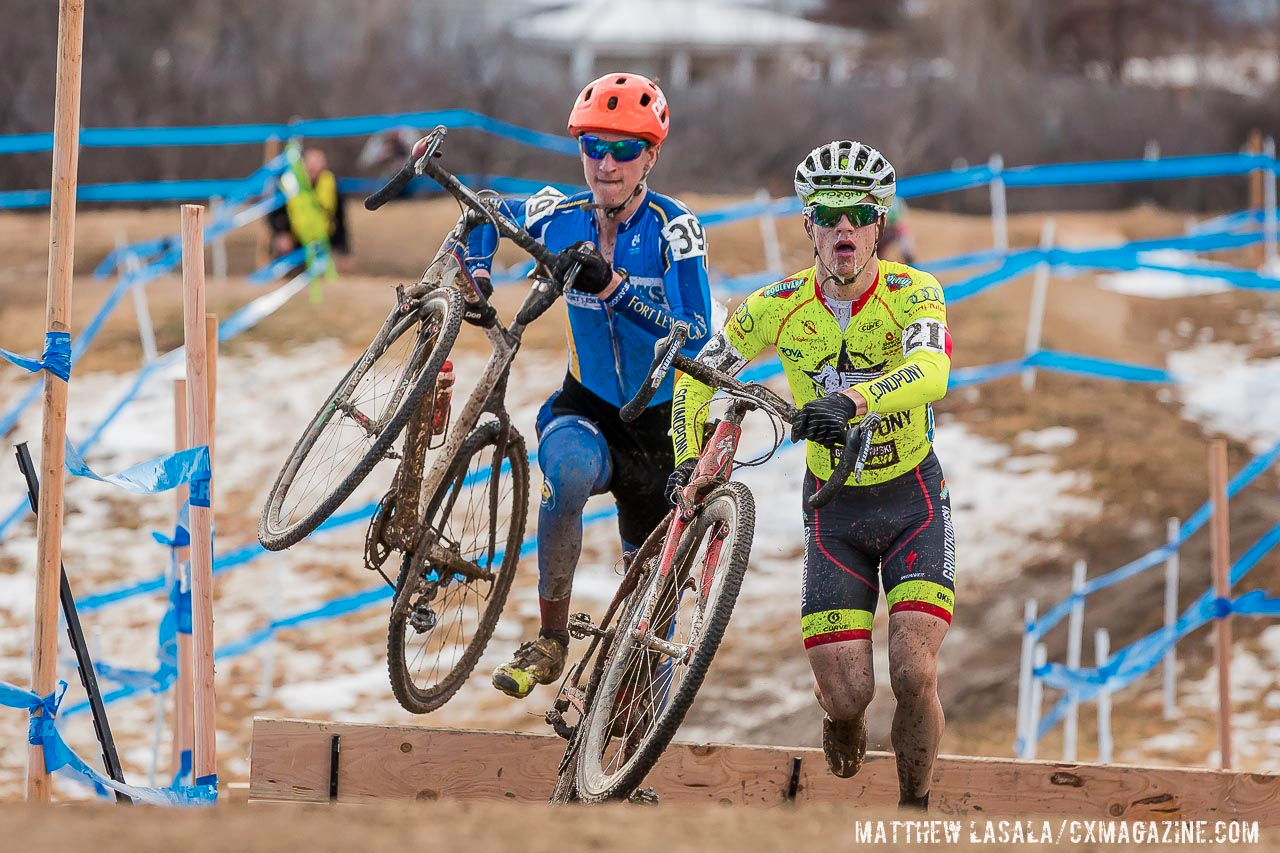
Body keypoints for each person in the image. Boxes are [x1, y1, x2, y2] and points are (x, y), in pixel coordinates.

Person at [669, 140, 954, 811]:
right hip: (835, 512)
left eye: (859, 211)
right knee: (851, 691)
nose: (844, 227)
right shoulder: (776, 305)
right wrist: (688, 452)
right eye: (828, 213)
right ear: (808, 224)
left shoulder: (916, 292)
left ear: (880, 221)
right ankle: (844, 718)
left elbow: (932, 372)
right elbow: (698, 377)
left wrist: (852, 400)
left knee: (914, 671)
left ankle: (916, 805)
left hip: (913, 497)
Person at [462, 73, 714, 699]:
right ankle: (550, 640)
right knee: (568, 470)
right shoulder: (560, 217)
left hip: (661, 429)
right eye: (594, 145)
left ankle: (627, 758)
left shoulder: (674, 229)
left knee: (646, 630)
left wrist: (615, 291)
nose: (607, 162)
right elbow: (485, 211)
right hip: (589, 407)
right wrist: (478, 270)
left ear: (650, 156)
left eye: (625, 149)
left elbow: (698, 333)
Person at [267, 146, 352, 273]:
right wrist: (281, 233)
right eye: (310, 163)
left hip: (324, 242)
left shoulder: (331, 184)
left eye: (317, 163)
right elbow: (274, 214)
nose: (313, 167)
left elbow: (340, 219)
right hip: (295, 241)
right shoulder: (289, 183)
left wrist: (344, 250)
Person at [879, 196, 916, 265]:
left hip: (891, 229)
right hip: (881, 230)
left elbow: (901, 218)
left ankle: (909, 260)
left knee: (904, 232)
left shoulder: (896, 200)